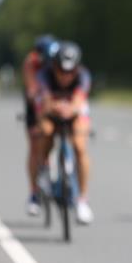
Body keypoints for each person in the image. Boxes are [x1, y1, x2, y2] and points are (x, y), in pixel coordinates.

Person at [32, 41, 95, 225]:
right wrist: (54, 106)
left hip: (74, 112)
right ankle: (43, 169)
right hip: (50, 110)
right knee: (45, 131)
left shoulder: (83, 75)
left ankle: (82, 200)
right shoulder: (44, 75)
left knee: (80, 146)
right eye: (61, 70)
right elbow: (44, 100)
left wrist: (70, 108)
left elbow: (79, 99)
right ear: (54, 66)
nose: (65, 76)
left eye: (70, 72)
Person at [24, 35, 57, 216]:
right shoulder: (31, 62)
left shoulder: (60, 59)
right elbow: (32, 91)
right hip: (36, 101)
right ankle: (34, 192)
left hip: (55, 97)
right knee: (35, 144)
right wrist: (39, 116)